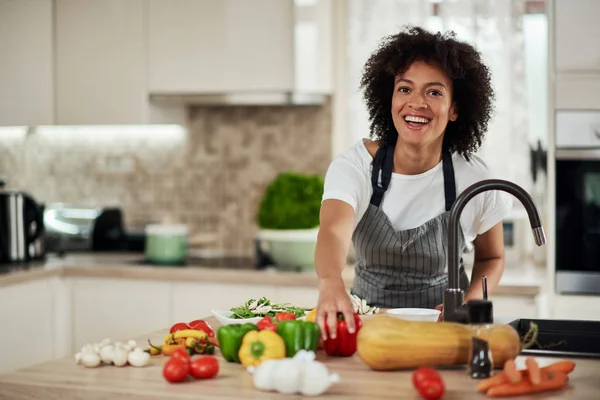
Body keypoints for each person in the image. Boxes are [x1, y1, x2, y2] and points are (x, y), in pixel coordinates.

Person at [314, 26, 513, 339]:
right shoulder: (355, 166)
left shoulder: (474, 178)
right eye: (405, 89)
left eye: (434, 92)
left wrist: (471, 301)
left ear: (455, 108)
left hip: (445, 334)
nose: (416, 103)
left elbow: (492, 257)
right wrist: (330, 283)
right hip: (368, 331)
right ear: (389, 97)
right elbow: (332, 230)